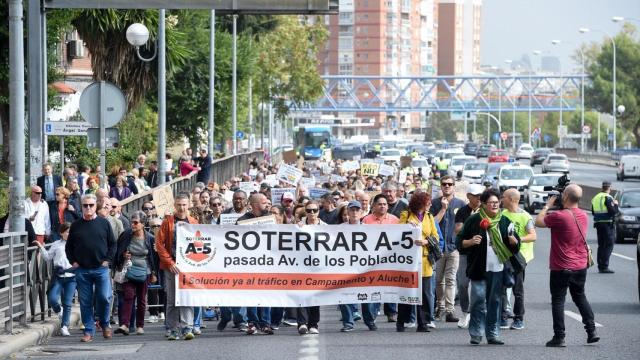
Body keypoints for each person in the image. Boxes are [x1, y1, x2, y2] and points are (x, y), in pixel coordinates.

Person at [535, 185, 600, 347]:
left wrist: (547, 206)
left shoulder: (559, 216)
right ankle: (591, 331)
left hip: (561, 266)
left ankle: (559, 336)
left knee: (558, 300)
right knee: (580, 296)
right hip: (580, 265)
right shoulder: (584, 216)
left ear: (564, 197)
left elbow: (538, 221)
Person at [456, 189, 520, 346]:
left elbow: (516, 244)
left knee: (495, 302)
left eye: (497, 202)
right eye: (491, 202)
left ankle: (492, 334)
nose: (494, 205)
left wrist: (514, 242)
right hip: (478, 268)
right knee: (478, 300)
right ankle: (476, 333)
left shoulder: (504, 221)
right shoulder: (473, 220)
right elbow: (459, 242)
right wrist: (470, 242)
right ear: (483, 205)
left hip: (498, 269)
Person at [65, 194, 116, 343]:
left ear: (96, 206)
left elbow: (113, 244)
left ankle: (105, 324)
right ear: (81, 207)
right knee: (85, 301)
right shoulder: (75, 225)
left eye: (91, 205)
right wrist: (73, 261)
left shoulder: (104, 223)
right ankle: (89, 330)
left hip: (101, 269)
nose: (88, 208)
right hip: (82, 269)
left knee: (104, 298)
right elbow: (69, 247)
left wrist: (107, 260)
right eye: (85, 205)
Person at [155, 192, 199, 340]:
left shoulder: (194, 222)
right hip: (171, 266)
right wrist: (169, 262)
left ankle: (188, 327)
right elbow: (159, 245)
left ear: (189, 205)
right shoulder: (167, 222)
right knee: (172, 299)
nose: (182, 208)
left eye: (184, 205)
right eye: (179, 205)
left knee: (188, 297)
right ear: (175, 205)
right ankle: (172, 328)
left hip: (188, 267)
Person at [397, 192, 438, 333]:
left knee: (425, 294)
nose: (430, 205)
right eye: (428, 202)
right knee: (407, 291)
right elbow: (397, 233)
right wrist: (407, 225)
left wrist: (426, 241)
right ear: (420, 203)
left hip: (425, 260)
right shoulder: (406, 215)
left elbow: (435, 236)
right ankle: (402, 321)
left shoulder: (429, 216)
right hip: (409, 260)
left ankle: (423, 323)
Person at [236, 193, 274, 335]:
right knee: (251, 294)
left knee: (266, 294)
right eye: (264, 203)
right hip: (249, 264)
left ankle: (265, 323)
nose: (267, 205)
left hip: (267, 263)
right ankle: (252, 322)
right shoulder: (242, 221)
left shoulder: (270, 219)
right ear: (256, 204)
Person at [114, 211, 157, 336]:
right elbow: (118, 250)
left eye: (136, 222)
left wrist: (154, 273)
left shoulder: (150, 238)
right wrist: (123, 255)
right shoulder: (126, 235)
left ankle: (140, 326)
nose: (132, 225)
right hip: (129, 269)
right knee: (128, 295)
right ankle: (125, 325)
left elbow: (154, 257)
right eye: (132, 222)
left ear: (143, 224)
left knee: (142, 299)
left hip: (145, 271)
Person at [430, 175, 466, 323]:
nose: (447, 186)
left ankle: (450, 310)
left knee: (450, 279)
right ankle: (440, 307)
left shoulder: (461, 204)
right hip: (438, 247)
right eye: (444, 184)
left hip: (453, 247)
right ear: (441, 186)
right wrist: (443, 209)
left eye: (449, 184)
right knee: (439, 280)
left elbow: (464, 225)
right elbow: (432, 224)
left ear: (454, 186)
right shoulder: (434, 203)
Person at [500, 189, 537, 330]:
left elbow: (533, 236)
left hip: (519, 259)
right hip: (504, 256)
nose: (501, 200)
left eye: (503, 197)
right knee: (502, 287)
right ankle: (503, 317)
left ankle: (518, 319)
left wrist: (518, 239)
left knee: (517, 290)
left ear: (510, 199)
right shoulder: (502, 214)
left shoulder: (525, 216)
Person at [338, 200, 378, 332]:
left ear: (361, 212)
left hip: (364, 267)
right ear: (348, 212)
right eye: (352, 210)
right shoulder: (340, 228)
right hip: (345, 267)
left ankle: (370, 321)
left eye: (357, 210)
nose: (354, 212)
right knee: (345, 295)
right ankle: (348, 323)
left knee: (366, 295)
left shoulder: (368, 229)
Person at [361, 194, 400, 322]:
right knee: (374, 285)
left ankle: (391, 312)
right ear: (374, 206)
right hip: (372, 258)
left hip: (390, 258)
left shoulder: (395, 220)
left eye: (384, 204)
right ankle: (373, 312)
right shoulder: (366, 220)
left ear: (388, 206)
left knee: (390, 284)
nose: (382, 206)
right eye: (380, 204)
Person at [34, 222, 76, 336]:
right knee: (52, 298)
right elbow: (48, 258)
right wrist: (41, 246)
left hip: (72, 277)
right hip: (58, 275)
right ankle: (59, 310)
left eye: (71, 232)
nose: (69, 234)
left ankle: (64, 326)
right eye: (67, 232)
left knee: (67, 302)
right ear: (61, 233)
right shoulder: (56, 244)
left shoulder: (77, 244)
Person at [453, 183, 484, 329]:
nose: (478, 198)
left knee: (481, 286)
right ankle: (465, 311)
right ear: (468, 196)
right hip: (466, 253)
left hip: (483, 253)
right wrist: (472, 220)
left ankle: (479, 313)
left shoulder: (486, 210)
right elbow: (458, 230)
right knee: (463, 283)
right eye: (475, 195)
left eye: (480, 195)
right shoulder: (463, 211)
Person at [296, 200, 326, 335]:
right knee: (301, 294)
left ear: (319, 211)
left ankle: (313, 324)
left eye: (314, 210)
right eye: (308, 210)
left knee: (314, 295)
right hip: (301, 265)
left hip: (318, 266)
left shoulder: (326, 227)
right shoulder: (298, 226)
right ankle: (302, 323)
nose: (312, 213)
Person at [590, 181, 618, 273]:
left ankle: (600, 266)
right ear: (609, 188)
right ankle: (604, 266)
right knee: (609, 245)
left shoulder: (596, 197)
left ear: (602, 187)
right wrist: (616, 204)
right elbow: (613, 212)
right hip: (607, 224)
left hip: (598, 224)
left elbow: (593, 212)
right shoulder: (608, 198)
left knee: (601, 245)